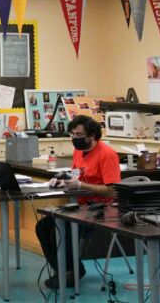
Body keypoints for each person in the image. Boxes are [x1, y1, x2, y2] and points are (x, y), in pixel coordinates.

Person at [36, 115, 121, 289]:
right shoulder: (79, 151)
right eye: (73, 134)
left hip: (103, 209)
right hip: (81, 206)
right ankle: (66, 269)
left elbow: (112, 190)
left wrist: (81, 185)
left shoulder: (107, 155)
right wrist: (63, 181)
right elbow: (77, 176)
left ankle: (71, 271)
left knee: (65, 227)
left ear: (92, 136)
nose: (75, 138)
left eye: (79, 134)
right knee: (44, 226)